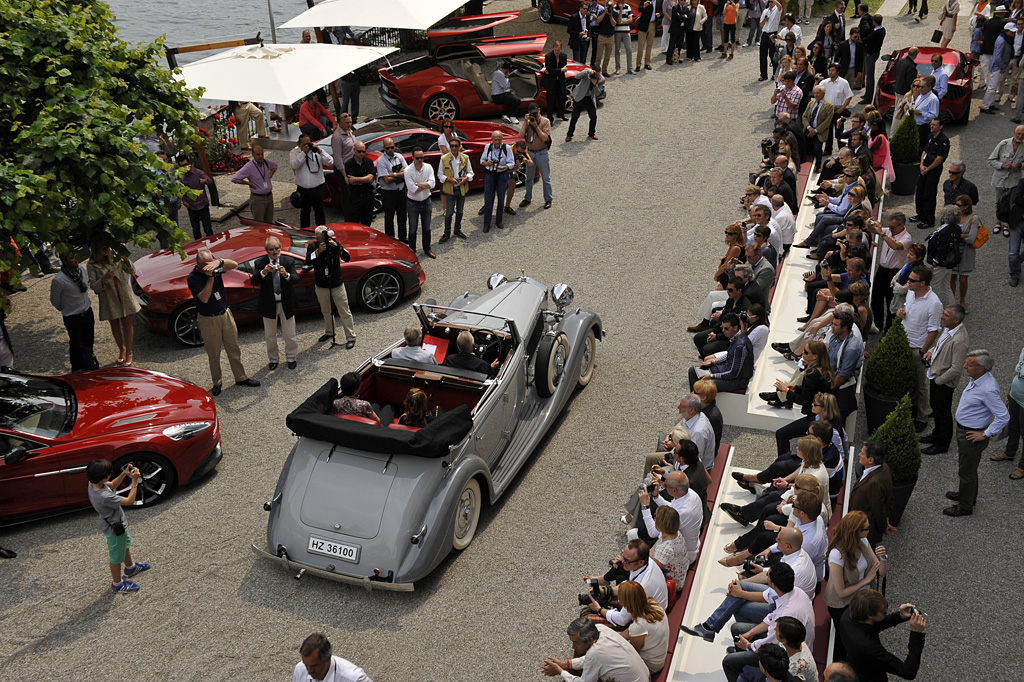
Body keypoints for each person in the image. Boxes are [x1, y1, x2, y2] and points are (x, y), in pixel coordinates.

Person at [685, 562, 815, 682]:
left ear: (773, 584)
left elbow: (770, 641)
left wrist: (748, 645)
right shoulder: (794, 591)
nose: (766, 576)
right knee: (737, 628)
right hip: (784, 640)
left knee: (728, 661)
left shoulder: (786, 615)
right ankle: (712, 629)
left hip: (784, 653)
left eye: (767, 575)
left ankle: (741, 664)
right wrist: (750, 633)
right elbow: (771, 618)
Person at [945, 350, 1011, 516]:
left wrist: (985, 434)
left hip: (971, 435)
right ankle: (967, 495)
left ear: (981, 369)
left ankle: (965, 506)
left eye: (969, 365)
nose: (965, 366)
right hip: (966, 430)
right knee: (968, 468)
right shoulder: (977, 379)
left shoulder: (988, 389)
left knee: (966, 471)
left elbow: (1003, 416)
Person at [187, 249, 260, 395]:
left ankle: (241, 377)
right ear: (199, 266)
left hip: (225, 314)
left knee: (233, 347)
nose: (211, 267)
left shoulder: (216, 266)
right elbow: (205, 298)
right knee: (214, 353)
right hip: (209, 319)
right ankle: (217, 382)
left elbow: (233, 264)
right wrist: (211, 277)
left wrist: (219, 262)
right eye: (207, 265)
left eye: (211, 263)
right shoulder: (193, 278)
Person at [824, 511, 886, 661]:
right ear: (855, 531)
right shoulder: (837, 555)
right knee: (845, 639)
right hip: (842, 605)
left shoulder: (863, 541)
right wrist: (866, 580)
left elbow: (881, 573)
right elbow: (841, 593)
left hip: (861, 599)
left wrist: (883, 558)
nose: (869, 530)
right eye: (866, 528)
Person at [86, 459, 150, 593]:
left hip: (118, 524)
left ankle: (130, 567)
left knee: (125, 545)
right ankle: (117, 584)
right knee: (116, 557)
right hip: (114, 529)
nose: (111, 474)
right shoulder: (104, 496)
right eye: (109, 473)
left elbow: (113, 484)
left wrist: (124, 473)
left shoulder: (93, 484)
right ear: (103, 476)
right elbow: (130, 501)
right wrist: (134, 482)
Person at [838, 590, 926, 682]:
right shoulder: (869, 648)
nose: (887, 611)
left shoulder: (848, 615)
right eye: (883, 612)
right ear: (870, 616)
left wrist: (900, 616)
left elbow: (875, 624)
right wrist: (916, 633)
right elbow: (908, 671)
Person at [898, 264, 944, 428]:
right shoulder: (911, 293)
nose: (908, 282)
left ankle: (923, 417)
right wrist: (902, 311)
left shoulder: (934, 303)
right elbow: (907, 308)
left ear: (923, 283)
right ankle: (910, 409)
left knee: (921, 384)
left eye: (912, 280)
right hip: (904, 342)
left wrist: (922, 351)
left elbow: (933, 331)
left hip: (917, 347)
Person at [919, 304, 969, 455]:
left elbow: (956, 368)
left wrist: (939, 380)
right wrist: (930, 352)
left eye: (946, 315)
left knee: (943, 412)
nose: (942, 317)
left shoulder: (960, 340)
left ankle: (942, 444)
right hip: (936, 376)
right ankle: (936, 435)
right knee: (936, 408)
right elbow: (940, 346)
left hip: (943, 382)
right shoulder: (949, 329)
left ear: (956, 320)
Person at [540, 617, 651, 681]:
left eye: (576, 643)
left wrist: (561, 671)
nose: (573, 647)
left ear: (590, 640)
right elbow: (590, 660)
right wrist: (565, 664)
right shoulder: (600, 628)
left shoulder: (595, 653)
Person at [87, 245, 140, 367]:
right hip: (108, 298)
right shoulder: (91, 264)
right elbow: (94, 287)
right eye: (103, 248)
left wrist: (126, 260)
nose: (107, 250)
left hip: (123, 294)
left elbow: (131, 271)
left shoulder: (115, 257)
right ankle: (122, 349)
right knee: (114, 324)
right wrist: (103, 279)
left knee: (127, 322)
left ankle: (129, 352)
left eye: (108, 247)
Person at [250, 236, 299, 371]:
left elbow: (296, 279)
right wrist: (264, 272)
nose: (274, 251)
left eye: (277, 248)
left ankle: (291, 358)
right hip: (269, 304)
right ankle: (273, 359)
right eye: (271, 249)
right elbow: (254, 281)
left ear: (280, 248)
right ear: (267, 250)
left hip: (286, 304)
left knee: (290, 334)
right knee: (270, 336)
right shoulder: (260, 263)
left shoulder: (288, 261)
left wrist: (286, 275)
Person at [306, 225, 356, 349]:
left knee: (344, 311)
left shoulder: (334, 243)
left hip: (337, 284)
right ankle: (330, 332)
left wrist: (339, 249)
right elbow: (307, 261)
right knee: (326, 311)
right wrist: (318, 252)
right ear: (318, 238)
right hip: (322, 285)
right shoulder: (313, 247)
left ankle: (351, 337)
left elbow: (347, 257)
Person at [638, 470, 704, 563]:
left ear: (674, 490)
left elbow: (653, 532)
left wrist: (645, 506)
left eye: (666, 486)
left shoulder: (681, 513)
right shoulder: (691, 494)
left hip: (684, 556)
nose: (663, 486)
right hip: (688, 545)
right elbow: (672, 507)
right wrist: (656, 496)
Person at [50, 251, 97, 372]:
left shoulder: (81, 270)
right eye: (71, 258)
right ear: (64, 261)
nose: (75, 260)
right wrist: (67, 308)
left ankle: (89, 364)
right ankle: (77, 368)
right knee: (76, 344)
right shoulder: (59, 280)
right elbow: (55, 301)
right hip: (73, 317)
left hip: (87, 312)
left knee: (89, 341)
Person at [689, 313, 755, 393]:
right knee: (693, 370)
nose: (723, 331)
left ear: (735, 328)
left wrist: (711, 376)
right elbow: (728, 355)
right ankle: (695, 398)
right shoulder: (735, 337)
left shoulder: (740, 346)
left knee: (702, 385)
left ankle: (698, 400)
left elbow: (733, 373)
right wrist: (712, 361)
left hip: (737, 380)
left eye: (726, 329)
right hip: (726, 370)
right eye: (722, 328)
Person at [618, 582, 669, 674]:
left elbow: (633, 652)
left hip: (650, 665)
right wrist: (617, 637)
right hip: (658, 657)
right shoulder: (655, 605)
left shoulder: (639, 626)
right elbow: (631, 631)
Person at [848, 442, 892, 546]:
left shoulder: (874, 483)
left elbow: (878, 508)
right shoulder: (884, 467)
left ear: (871, 460)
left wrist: (884, 527)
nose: (859, 454)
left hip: (863, 528)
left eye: (862, 453)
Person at [990, 344, 1024, 478]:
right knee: (1013, 425)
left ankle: (1022, 466)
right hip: (1016, 394)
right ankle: (1010, 452)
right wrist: (1011, 387)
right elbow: (1019, 369)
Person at [911, 118, 949, 230]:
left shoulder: (944, 140)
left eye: (934, 125)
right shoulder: (930, 137)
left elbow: (939, 159)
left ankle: (928, 220)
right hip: (924, 168)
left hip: (933, 170)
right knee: (920, 192)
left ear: (940, 126)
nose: (931, 126)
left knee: (929, 194)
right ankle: (920, 214)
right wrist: (921, 165)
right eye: (931, 124)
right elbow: (924, 151)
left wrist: (928, 169)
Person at [290, 134, 333, 228]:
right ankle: (305, 233)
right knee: (305, 213)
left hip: (318, 188)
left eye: (308, 143)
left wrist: (320, 151)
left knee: (320, 212)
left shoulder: (316, 151)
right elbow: (294, 165)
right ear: (299, 144)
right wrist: (303, 153)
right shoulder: (294, 152)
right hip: (303, 189)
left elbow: (330, 161)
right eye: (304, 144)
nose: (307, 146)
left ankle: (322, 233)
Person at [988, 125, 1024, 235]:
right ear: (1014, 132)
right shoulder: (1003, 144)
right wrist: (1002, 165)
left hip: (1014, 180)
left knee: (1011, 202)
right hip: (1000, 179)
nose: (1020, 136)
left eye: (1023, 134)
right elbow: (991, 160)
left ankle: (1006, 225)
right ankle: (997, 222)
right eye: (1018, 133)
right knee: (998, 201)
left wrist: (1020, 165)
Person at [294, 633, 373, 682]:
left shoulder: (354, 679)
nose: (309, 670)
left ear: (328, 659)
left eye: (314, 666)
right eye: (306, 665)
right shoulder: (300, 669)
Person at [438, 138, 473, 243]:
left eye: (455, 146)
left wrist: (465, 178)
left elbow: (470, 172)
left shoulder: (465, 158)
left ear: (459, 147)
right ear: (449, 146)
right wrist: (449, 179)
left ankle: (457, 229)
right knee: (449, 212)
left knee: (460, 211)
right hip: (450, 189)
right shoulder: (444, 159)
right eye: (452, 146)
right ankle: (446, 233)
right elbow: (440, 175)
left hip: (461, 189)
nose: (454, 148)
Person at [230, 145, 277, 223]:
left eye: (262, 154)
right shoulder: (249, 167)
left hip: (269, 196)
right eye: (258, 154)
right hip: (258, 199)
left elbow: (275, 166)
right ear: (253, 155)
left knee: (269, 222)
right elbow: (235, 179)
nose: (261, 156)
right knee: (259, 223)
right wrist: (248, 183)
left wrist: (270, 174)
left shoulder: (266, 162)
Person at [949, 196, 981, 310]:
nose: (956, 207)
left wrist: (956, 236)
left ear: (966, 206)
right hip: (953, 251)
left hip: (966, 252)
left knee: (963, 279)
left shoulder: (974, 218)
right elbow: (947, 233)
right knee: (951, 277)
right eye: (955, 204)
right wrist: (963, 236)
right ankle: (952, 301)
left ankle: (962, 300)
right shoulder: (953, 216)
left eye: (959, 205)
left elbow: (971, 239)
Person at [405, 147, 437, 258]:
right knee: (413, 229)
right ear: (413, 157)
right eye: (418, 158)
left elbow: (433, 184)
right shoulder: (408, 171)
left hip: (426, 201)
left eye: (422, 158)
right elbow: (412, 190)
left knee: (427, 228)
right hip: (412, 203)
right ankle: (412, 251)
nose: (420, 160)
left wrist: (418, 184)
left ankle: (427, 249)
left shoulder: (428, 167)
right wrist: (425, 184)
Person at [521, 103, 553, 210]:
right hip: (530, 152)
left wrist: (535, 126)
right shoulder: (528, 121)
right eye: (532, 113)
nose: (535, 115)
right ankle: (527, 198)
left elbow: (545, 138)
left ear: (539, 110)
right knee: (529, 177)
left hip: (542, 152)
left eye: (536, 112)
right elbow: (521, 135)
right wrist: (526, 123)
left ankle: (548, 199)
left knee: (546, 177)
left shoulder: (545, 121)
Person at [649, 505, 691, 585]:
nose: (654, 519)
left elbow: (653, 568)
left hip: (673, 582)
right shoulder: (675, 533)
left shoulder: (666, 549)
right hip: (678, 571)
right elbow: (658, 542)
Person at [376, 137, 408, 242]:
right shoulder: (381, 161)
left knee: (402, 215)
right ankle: (391, 240)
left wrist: (394, 174)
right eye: (387, 148)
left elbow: (407, 173)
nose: (390, 150)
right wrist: (400, 175)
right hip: (388, 194)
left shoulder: (399, 157)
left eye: (392, 147)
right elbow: (386, 180)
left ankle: (403, 238)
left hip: (400, 191)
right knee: (389, 217)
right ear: (384, 148)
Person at [980, 20, 1014, 113]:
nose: (1013, 34)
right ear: (1007, 31)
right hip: (997, 67)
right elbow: (998, 57)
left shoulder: (1003, 39)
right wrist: (1003, 67)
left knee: (993, 87)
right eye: (1012, 32)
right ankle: (985, 106)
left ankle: (989, 104)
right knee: (991, 87)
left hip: (997, 67)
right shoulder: (1002, 40)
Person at [178, 155, 214, 241]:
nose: (185, 167)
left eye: (186, 164)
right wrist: (184, 201)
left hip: (202, 204)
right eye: (182, 166)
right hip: (191, 206)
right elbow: (181, 190)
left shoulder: (198, 173)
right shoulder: (180, 176)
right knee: (196, 231)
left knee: (208, 229)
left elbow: (209, 180)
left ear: (189, 164)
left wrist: (204, 181)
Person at [344, 141, 376, 227]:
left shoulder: (368, 162)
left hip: (367, 196)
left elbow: (370, 178)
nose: (361, 153)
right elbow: (351, 181)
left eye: (363, 151)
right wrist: (363, 179)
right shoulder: (349, 164)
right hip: (355, 196)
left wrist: (356, 179)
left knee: (367, 222)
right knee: (354, 223)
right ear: (354, 150)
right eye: (359, 151)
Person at [804, 86, 835, 171]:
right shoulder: (811, 103)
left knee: (817, 149)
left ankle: (818, 165)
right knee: (806, 148)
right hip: (809, 129)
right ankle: (807, 166)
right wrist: (809, 127)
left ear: (823, 93)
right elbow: (805, 116)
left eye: (817, 93)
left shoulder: (829, 106)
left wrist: (816, 130)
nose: (815, 95)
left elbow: (827, 121)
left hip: (820, 131)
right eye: (814, 93)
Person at [567, 67, 602, 141]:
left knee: (593, 116)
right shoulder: (586, 72)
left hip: (590, 98)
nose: (596, 75)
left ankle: (591, 133)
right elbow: (576, 76)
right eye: (595, 73)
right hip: (580, 96)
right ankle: (569, 134)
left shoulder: (601, 79)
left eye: (598, 74)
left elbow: (598, 93)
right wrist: (587, 72)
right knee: (575, 116)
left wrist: (595, 84)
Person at [860, 15, 885, 102]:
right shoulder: (882, 30)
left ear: (874, 22)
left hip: (871, 54)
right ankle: (867, 94)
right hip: (875, 53)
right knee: (869, 75)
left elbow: (865, 40)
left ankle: (868, 97)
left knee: (870, 76)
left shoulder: (876, 33)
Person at [758, 0, 783, 81]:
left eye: (772, 2)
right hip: (765, 33)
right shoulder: (765, 11)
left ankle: (775, 73)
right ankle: (763, 74)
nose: (770, 3)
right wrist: (765, 20)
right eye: (770, 2)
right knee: (762, 54)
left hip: (773, 33)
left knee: (773, 54)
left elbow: (780, 6)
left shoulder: (777, 10)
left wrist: (775, 1)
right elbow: (761, 24)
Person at [544, 41, 569, 120]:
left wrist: (556, 71)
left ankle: (560, 114)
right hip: (551, 82)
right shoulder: (548, 56)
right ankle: (550, 118)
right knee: (550, 101)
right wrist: (561, 70)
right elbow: (550, 69)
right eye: (555, 50)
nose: (556, 52)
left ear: (561, 49)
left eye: (558, 50)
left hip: (560, 81)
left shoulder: (564, 56)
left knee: (562, 98)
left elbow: (553, 70)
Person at [611, 0, 635, 73]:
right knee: (617, 50)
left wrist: (622, 23)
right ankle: (617, 68)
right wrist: (621, 10)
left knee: (629, 50)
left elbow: (630, 19)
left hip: (626, 31)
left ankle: (630, 68)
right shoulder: (615, 8)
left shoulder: (628, 6)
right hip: (617, 31)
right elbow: (618, 20)